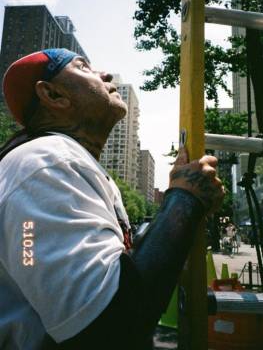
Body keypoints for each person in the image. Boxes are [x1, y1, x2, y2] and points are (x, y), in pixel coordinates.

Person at [0, 48, 225, 350]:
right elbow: (108, 327)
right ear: (53, 95)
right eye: (83, 67)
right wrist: (184, 201)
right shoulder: (46, 162)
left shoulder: (67, 163)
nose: (105, 75)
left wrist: (180, 198)